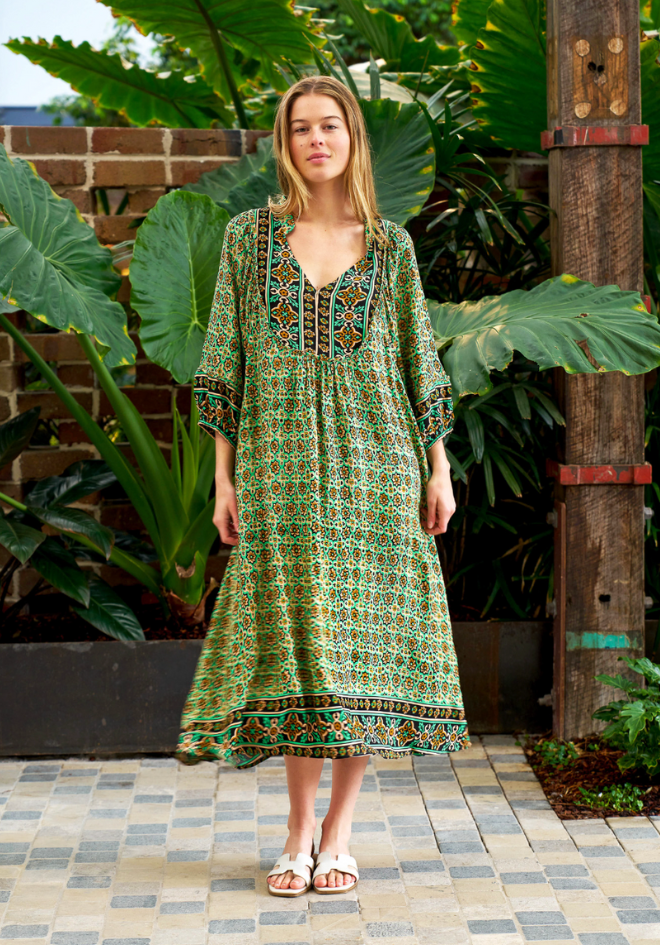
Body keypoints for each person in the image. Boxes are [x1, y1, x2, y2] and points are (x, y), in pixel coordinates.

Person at [175, 75, 468, 897]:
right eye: (301, 127)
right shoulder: (249, 240)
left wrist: (439, 467)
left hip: (378, 470)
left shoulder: (392, 248)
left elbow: (419, 364)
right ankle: (296, 831)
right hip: (281, 470)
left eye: (329, 125)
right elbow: (225, 361)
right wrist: (224, 480)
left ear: (351, 138)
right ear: (285, 143)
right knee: (300, 647)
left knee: (357, 649)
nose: (316, 140)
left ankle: (338, 832)